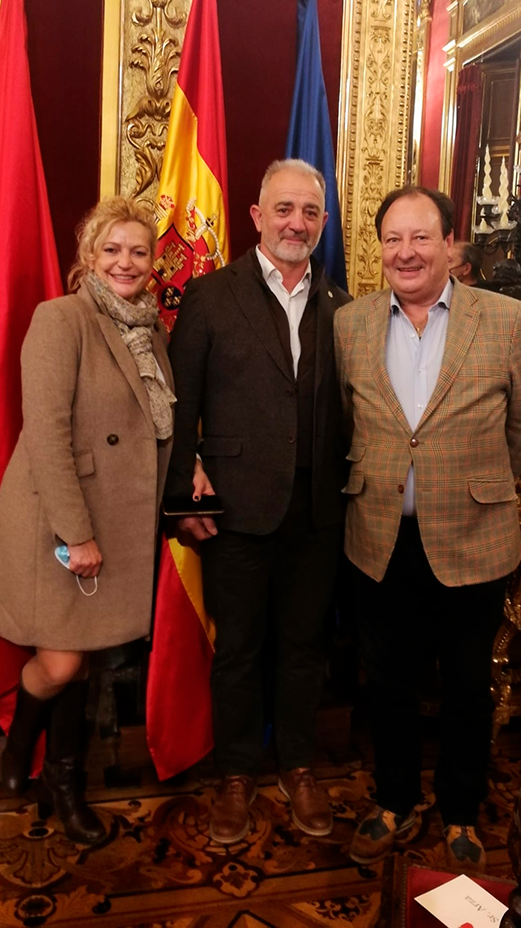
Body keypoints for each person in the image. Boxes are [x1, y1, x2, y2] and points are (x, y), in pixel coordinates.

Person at [334, 185, 521, 870]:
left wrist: (479, 478)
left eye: (421, 237)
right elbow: (342, 418)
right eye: (393, 239)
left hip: (474, 536)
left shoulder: (507, 317)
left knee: (465, 683)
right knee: (390, 682)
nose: (406, 252)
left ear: (451, 245)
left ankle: (459, 810)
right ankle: (394, 798)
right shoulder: (350, 322)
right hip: (378, 536)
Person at [165, 158, 350, 844]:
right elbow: (179, 406)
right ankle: (237, 773)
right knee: (238, 649)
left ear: (323, 223)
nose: (296, 222)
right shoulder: (212, 297)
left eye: (308, 211)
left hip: (319, 512)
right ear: (256, 216)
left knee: (304, 646)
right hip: (235, 512)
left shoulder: (344, 306)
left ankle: (297, 762)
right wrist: (180, 494)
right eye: (283, 209)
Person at [0, 196, 175, 844]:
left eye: (139, 250)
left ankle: (64, 782)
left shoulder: (152, 331)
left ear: (154, 261)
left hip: (119, 519)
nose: (127, 261)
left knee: (85, 660)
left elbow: (155, 426)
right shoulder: (61, 318)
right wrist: (76, 532)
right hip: (58, 517)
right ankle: (21, 746)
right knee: (62, 662)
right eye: (112, 248)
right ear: (89, 256)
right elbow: (47, 432)